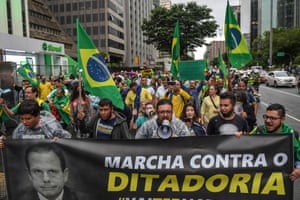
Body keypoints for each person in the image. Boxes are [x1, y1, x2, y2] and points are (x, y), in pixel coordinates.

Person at [250, 103, 300, 181]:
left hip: (282, 182)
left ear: (282, 119)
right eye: (266, 117)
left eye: (273, 118)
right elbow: (243, 146)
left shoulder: (293, 134)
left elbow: (298, 156)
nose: (268, 121)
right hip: (259, 179)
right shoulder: (258, 131)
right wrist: (239, 137)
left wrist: (299, 169)